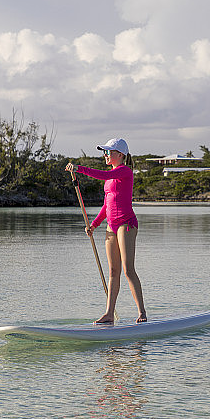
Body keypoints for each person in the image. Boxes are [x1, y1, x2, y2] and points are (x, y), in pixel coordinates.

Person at [66, 138, 147, 324]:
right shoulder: (111, 175)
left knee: (128, 270)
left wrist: (80, 168)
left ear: (120, 155)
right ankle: (109, 313)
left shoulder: (124, 171)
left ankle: (142, 312)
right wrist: (94, 224)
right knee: (112, 271)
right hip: (111, 226)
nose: (106, 155)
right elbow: (106, 205)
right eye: (105, 152)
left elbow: (102, 176)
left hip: (126, 224)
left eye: (109, 152)